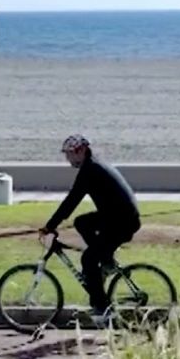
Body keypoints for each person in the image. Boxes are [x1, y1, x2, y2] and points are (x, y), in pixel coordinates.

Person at [38, 135, 141, 325]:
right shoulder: (93, 164)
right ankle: (106, 260)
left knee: (88, 259)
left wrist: (50, 226)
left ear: (80, 151)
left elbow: (72, 200)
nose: (67, 159)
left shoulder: (90, 170)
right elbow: (73, 203)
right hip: (117, 216)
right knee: (82, 222)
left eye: (69, 154)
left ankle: (103, 309)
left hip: (122, 222)